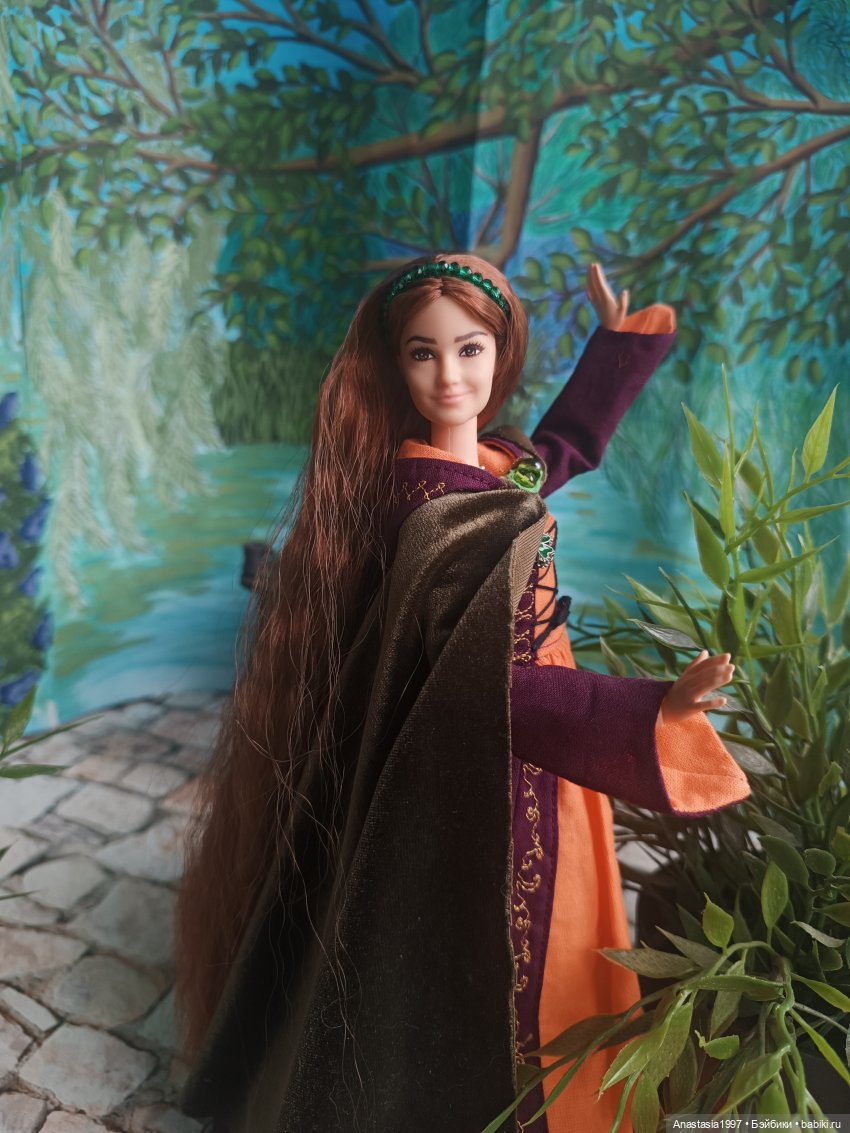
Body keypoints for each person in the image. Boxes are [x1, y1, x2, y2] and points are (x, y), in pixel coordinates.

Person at [176, 254, 749, 1133]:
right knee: (509, 945)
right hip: (493, 753)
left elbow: (559, 451)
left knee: (547, 923)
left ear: (500, 351)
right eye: (424, 353)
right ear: (396, 365)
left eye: (469, 349)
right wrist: (649, 714)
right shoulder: (428, 506)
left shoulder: (490, 464)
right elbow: (496, 691)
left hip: (530, 732)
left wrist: (614, 346)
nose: (449, 375)